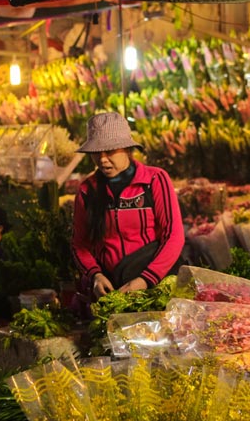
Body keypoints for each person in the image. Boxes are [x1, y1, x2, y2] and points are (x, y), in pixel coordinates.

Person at [71, 112, 185, 298]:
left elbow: (174, 235)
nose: (102, 159)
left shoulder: (154, 180)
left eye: (109, 151)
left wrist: (145, 280)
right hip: (111, 289)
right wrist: (95, 275)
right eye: (96, 153)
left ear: (127, 149)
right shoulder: (87, 190)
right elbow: (79, 244)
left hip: (154, 285)